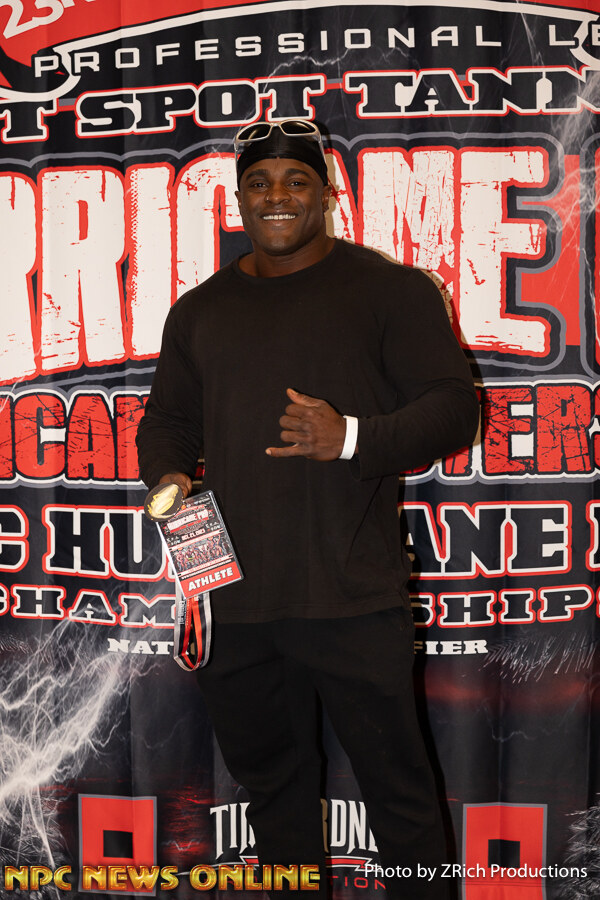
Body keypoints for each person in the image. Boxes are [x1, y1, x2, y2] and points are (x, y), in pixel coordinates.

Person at [136, 119, 480, 898]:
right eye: (259, 183)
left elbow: (455, 408)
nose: (277, 196)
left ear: (326, 193)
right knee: (275, 803)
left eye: (297, 180)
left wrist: (350, 436)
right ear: (238, 198)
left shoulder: (389, 290)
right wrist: (169, 477)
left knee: (402, 800)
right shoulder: (200, 310)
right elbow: (168, 421)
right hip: (234, 602)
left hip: (354, 597)